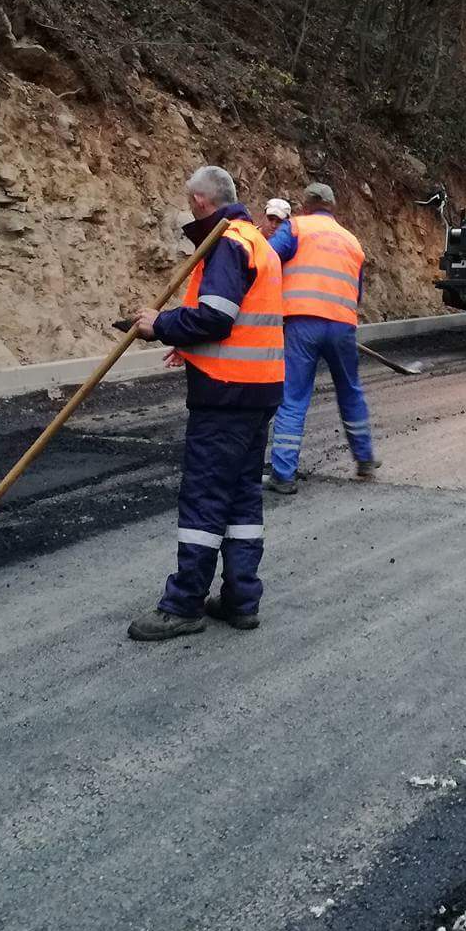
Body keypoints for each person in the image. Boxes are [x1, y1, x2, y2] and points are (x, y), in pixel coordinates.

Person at [126, 166, 286, 640]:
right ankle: (241, 599)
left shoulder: (227, 242)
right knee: (241, 497)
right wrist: (187, 341)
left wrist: (161, 324)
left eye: (189, 202)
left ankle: (184, 605)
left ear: (199, 201)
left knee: (205, 497)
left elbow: (216, 317)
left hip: (225, 395)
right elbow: (239, 320)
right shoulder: (256, 241)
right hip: (258, 390)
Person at [265, 182, 378, 495]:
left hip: (302, 323)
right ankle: (365, 458)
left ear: (305, 206)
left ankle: (283, 474)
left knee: (293, 396)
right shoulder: (352, 241)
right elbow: (356, 293)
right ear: (333, 208)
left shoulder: (296, 227)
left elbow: (267, 260)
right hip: (342, 325)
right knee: (350, 390)